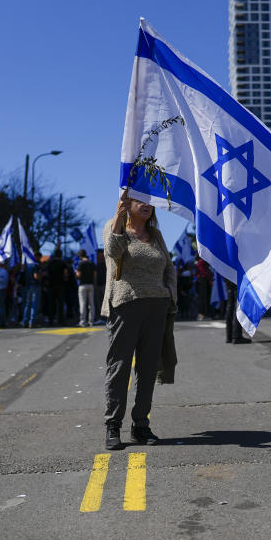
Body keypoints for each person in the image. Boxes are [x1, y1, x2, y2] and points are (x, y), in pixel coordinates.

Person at [101, 192, 176, 451]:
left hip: (157, 308)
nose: (146, 205)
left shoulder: (156, 236)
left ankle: (141, 425)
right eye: (139, 201)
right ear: (127, 205)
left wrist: (169, 293)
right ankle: (113, 425)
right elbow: (113, 251)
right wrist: (119, 219)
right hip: (126, 305)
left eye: (149, 202)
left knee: (147, 370)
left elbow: (169, 267)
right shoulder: (113, 228)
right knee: (119, 368)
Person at [225, 278, 250, 344]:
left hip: (228, 273)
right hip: (236, 274)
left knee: (230, 302)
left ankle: (229, 335)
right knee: (238, 303)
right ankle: (236, 336)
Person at [46, 251, 69, 325]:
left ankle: (51, 320)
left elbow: (46, 273)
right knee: (60, 304)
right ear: (61, 255)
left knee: (51, 304)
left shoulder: (50, 263)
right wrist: (66, 279)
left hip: (51, 285)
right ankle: (61, 320)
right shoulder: (63, 263)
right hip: (60, 285)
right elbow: (65, 273)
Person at [76, 250, 97, 327]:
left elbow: (78, 275)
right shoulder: (91, 263)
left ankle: (83, 321)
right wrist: (94, 284)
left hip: (82, 285)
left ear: (80, 256)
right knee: (91, 304)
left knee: (83, 304)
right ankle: (91, 321)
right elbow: (95, 274)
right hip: (91, 285)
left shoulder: (80, 263)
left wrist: (76, 273)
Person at [21, 252, 43, 328]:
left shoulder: (27, 265)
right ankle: (32, 321)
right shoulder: (36, 265)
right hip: (35, 286)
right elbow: (36, 276)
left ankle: (25, 321)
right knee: (34, 304)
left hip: (28, 286)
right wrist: (41, 276)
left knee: (27, 304)